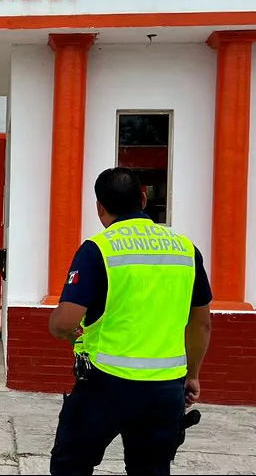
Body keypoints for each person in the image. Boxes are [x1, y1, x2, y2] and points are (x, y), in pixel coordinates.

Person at [48, 167, 213, 476]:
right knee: (150, 469)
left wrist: (60, 327)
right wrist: (192, 375)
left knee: (71, 465)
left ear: (100, 207)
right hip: (165, 389)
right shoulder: (186, 250)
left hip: (105, 385)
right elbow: (201, 324)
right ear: (143, 197)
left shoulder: (99, 248)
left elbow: (65, 321)